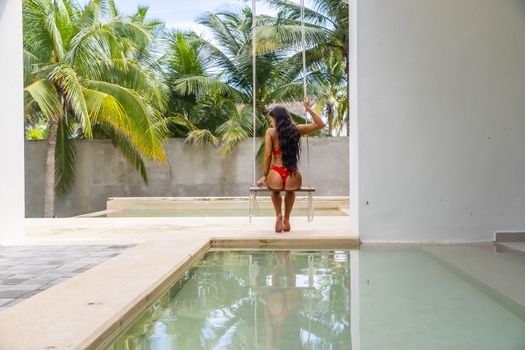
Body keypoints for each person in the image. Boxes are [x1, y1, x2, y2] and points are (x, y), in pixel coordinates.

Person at [256, 99, 325, 233]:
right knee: (290, 191)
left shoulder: (270, 132)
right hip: (293, 174)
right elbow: (320, 124)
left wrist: (265, 175)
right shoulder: (297, 130)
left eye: (271, 119)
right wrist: (308, 109)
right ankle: (286, 219)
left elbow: (267, 155)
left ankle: (278, 215)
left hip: (276, 172)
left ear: (276, 119)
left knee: (275, 192)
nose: (270, 122)